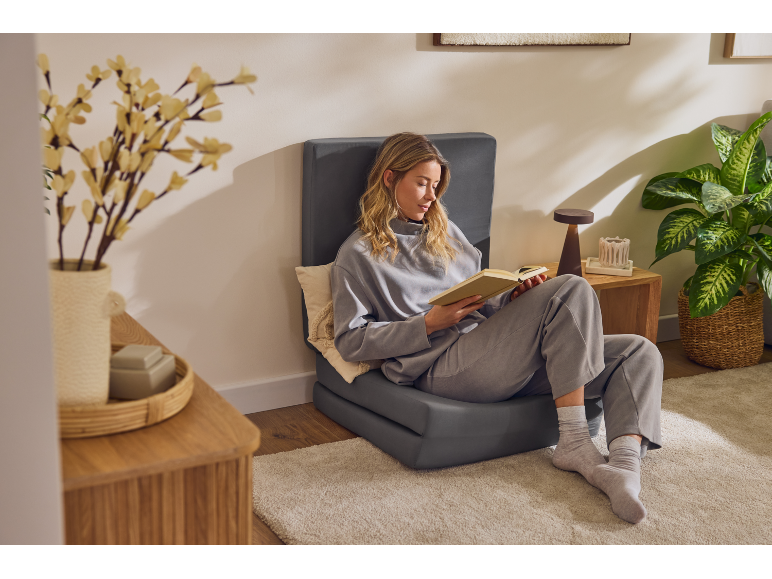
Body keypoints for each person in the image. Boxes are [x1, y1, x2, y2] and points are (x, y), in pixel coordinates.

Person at [330, 132, 663, 524]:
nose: (431, 196)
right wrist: (428, 324)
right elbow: (350, 341)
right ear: (389, 178)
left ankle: (624, 467)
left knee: (638, 352)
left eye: (436, 186)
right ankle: (574, 441)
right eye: (421, 183)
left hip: (492, 354)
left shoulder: (446, 233)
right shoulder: (357, 254)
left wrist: (512, 297)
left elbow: (479, 299)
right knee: (570, 288)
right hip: (441, 367)